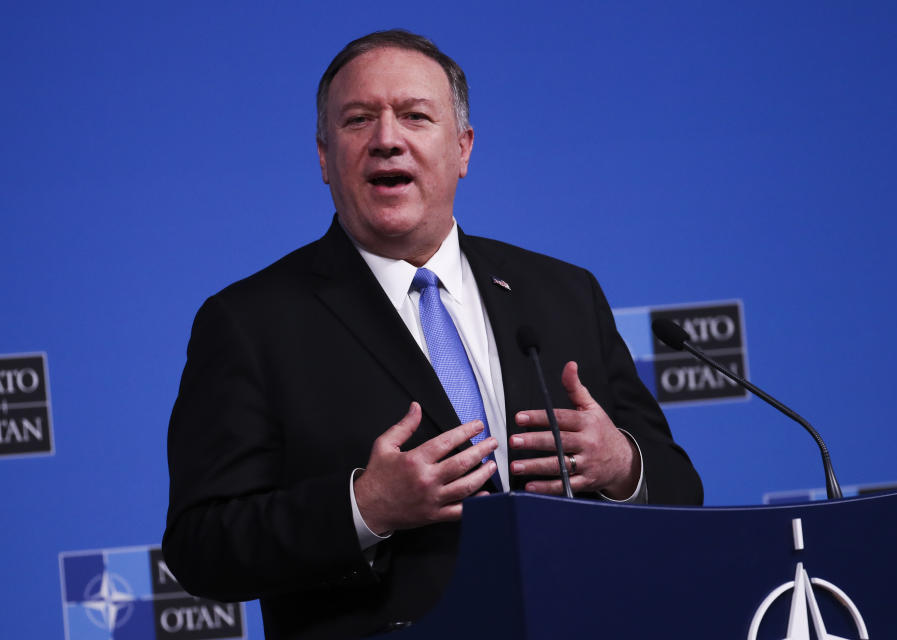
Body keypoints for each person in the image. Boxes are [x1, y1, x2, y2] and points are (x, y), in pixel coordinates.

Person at [162, 29, 702, 640]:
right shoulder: (250, 322)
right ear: (323, 157)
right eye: (359, 119)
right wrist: (363, 509)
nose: (386, 139)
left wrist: (622, 465)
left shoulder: (562, 293)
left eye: (415, 116)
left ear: (463, 148)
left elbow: (680, 491)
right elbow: (201, 545)